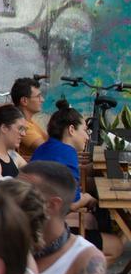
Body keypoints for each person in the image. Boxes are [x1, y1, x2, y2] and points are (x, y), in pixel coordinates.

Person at [31, 100, 124, 260]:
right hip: (46, 234)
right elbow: (72, 203)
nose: (87, 136)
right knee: (117, 245)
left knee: (94, 221)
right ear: (71, 130)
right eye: (85, 130)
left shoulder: (46, 147)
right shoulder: (68, 153)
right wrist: (88, 198)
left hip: (36, 224)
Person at [12, 77, 47, 158]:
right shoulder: (24, 127)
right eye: (38, 96)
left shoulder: (30, 122)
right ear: (24, 101)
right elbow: (48, 150)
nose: (42, 100)